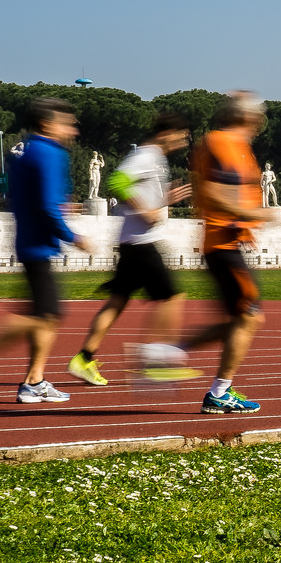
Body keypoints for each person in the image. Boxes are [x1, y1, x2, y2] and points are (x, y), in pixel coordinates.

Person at [0, 97, 92, 402]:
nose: (73, 131)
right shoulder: (49, 153)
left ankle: (34, 381)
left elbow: (15, 195)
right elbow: (48, 206)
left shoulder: (23, 151)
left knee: (46, 315)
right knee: (44, 314)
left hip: (28, 240)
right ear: (48, 124)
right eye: (68, 123)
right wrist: (71, 235)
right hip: (38, 244)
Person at [67, 111, 197, 387]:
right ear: (165, 133)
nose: (183, 142)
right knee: (172, 298)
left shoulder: (155, 159)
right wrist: (147, 212)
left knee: (117, 301)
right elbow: (116, 182)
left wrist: (162, 200)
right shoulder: (147, 155)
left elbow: (138, 192)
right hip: (141, 242)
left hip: (131, 242)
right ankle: (155, 362)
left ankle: (84, 358)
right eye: (181, 136)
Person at [179, 91, 281, 414]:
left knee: (241, 318)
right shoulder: (223, 143)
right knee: (249, 316)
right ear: (247, 116)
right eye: (258, 115)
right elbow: (211, 193)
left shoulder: (235, 145)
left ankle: (170, 353)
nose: (260, 122)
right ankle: (217, 391)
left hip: (229, 242)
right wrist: (261, 214)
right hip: (223, 244)